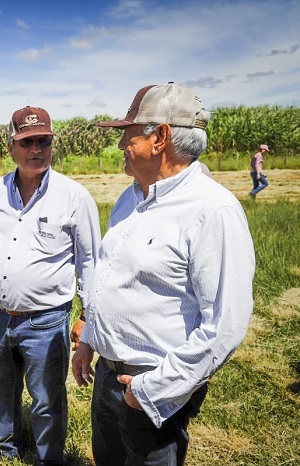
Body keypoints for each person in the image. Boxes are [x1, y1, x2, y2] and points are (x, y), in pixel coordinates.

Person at [72, 83, 255, 466]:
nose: (121, 144)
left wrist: (152, 390)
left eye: (128, 134)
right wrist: (89, 338)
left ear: (161, 138)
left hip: (152, 390)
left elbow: (224, 326)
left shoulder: (212, 210)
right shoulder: (130, 197)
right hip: (108, 376)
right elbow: (110, 277)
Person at [0, 106, 101, 465]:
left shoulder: (73, 197)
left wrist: (87, 317)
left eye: (43, 141)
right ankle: (6, 451)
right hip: (0, 318)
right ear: (11, 146)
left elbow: (91, 262)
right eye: (27, 141)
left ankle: (49, 458)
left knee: (47, 398)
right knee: (0, 390)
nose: (37, 149)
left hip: (48, 321)